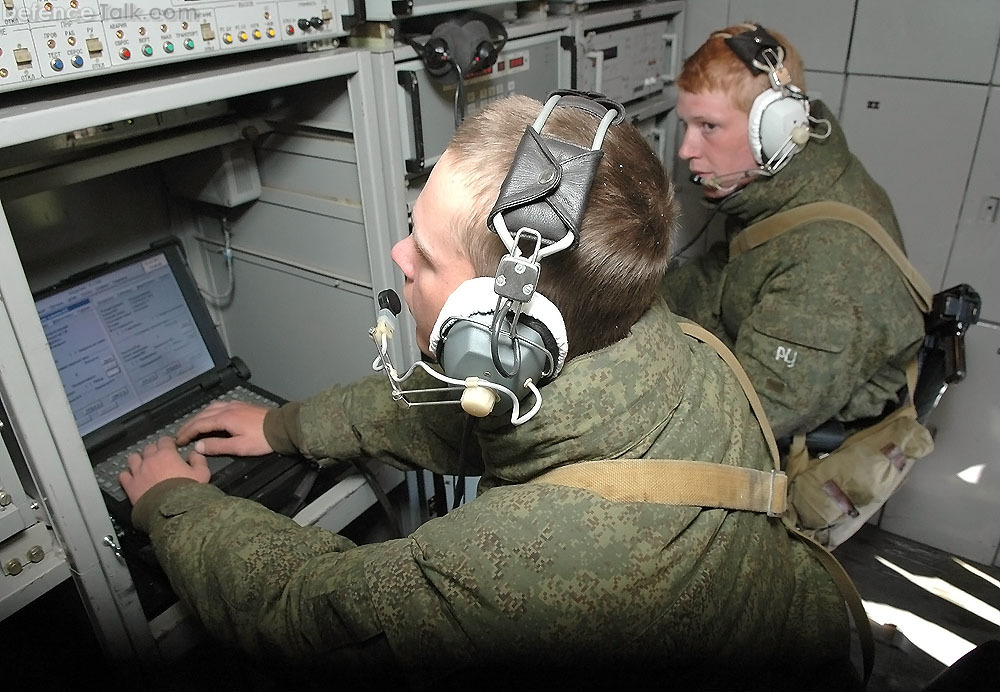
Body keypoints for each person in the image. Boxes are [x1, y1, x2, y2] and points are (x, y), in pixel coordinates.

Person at [119, 92, 857, 690]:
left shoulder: (508, 568)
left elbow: (308, 614)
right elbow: (453, 418)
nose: (398, 257)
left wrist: (173, 506)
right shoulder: (679, 348)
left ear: (499, 328)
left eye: (427, 254)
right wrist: (286, 428)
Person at [661, 23, 926, 445]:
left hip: (788, 446)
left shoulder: (828, 269)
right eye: (686, 125)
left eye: (708, 127)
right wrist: (631, 299)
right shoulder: (792, 185)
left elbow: (738, 423)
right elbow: (732, 272)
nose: (686, 150)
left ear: (778, 129)